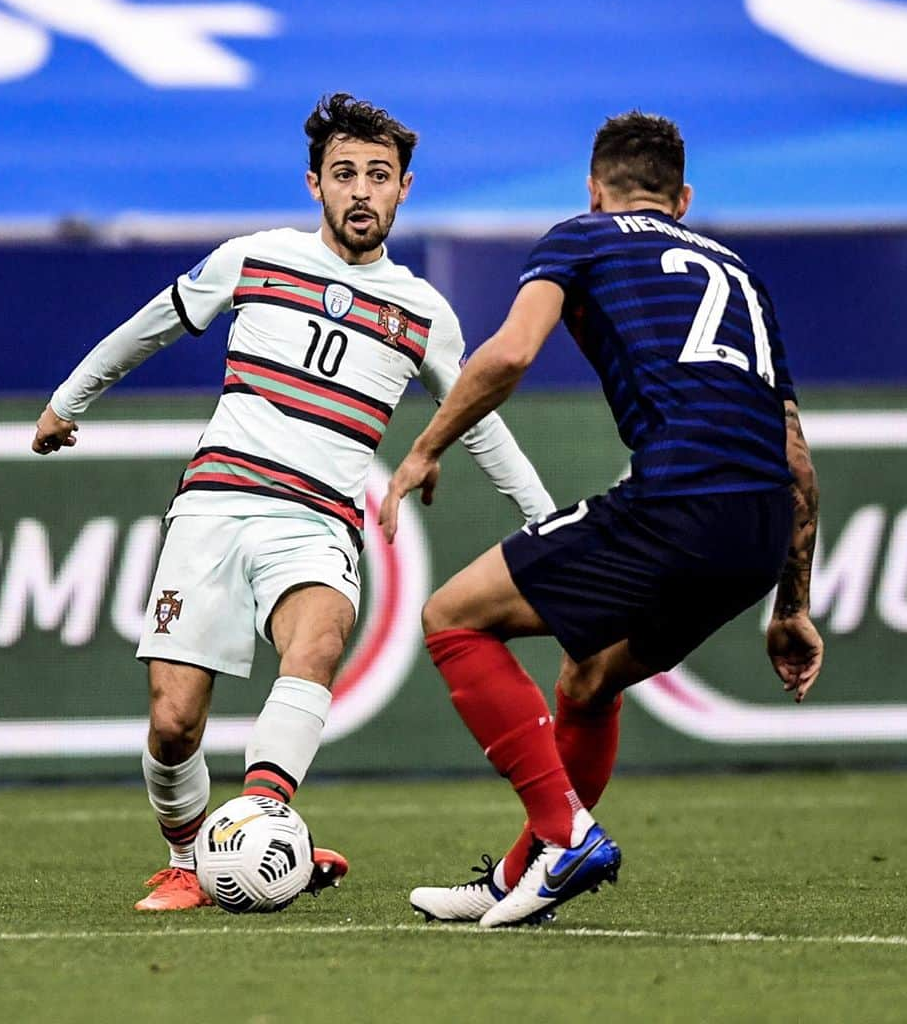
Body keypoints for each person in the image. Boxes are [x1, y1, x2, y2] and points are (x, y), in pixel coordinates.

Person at [32, 93, 555, 911]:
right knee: (174, 723)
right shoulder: (255, 257)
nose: (360, 191)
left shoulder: (423, 312)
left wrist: (543, 519)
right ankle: (187, 859)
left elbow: (481, 423)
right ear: (315, 183)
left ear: (403, 189)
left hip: (319, 521)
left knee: (318, 641)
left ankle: (267, 826)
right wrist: (70, 400)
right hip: (215, 503)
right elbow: (152, 326)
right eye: (344, 173)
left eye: (378, 176)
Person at [380, 110, 823, 928]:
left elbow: (510, 354)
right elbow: (796, 456)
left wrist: (425, 448)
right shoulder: (742, 276)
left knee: (452, 620)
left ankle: (567, 834)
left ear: (593, 190)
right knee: (589, 679)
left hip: (677, 502)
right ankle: (525, 874)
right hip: (756, 531)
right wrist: (791, 606)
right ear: (682, 197)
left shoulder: (581, 238)